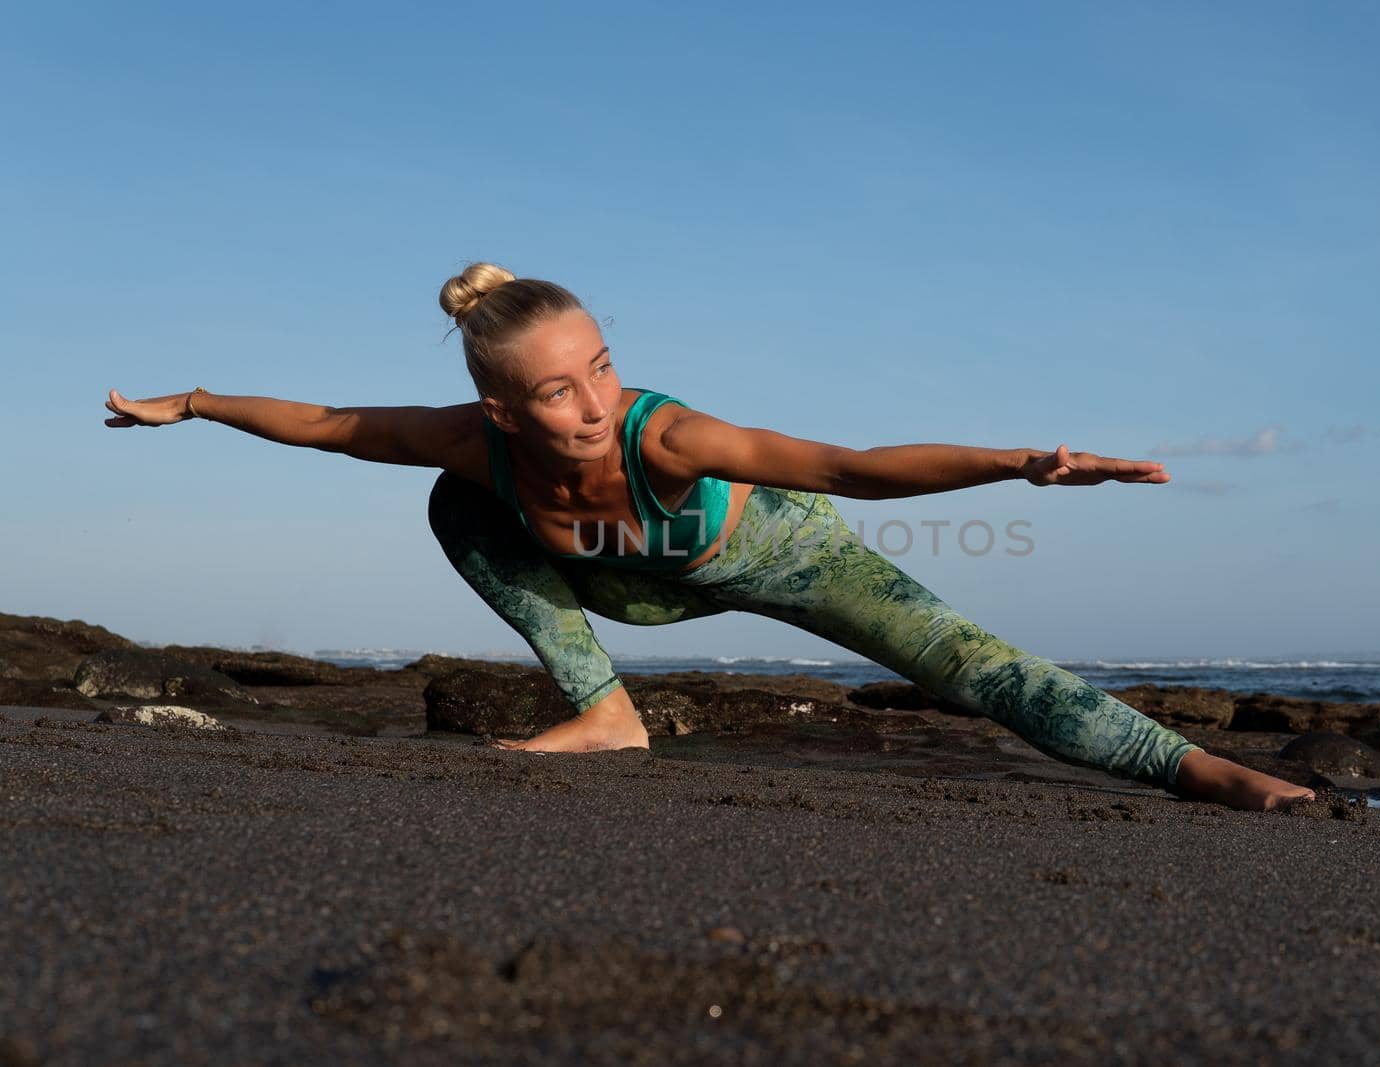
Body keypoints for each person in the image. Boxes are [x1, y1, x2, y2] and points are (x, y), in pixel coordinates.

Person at [103, 262, 1316, 812]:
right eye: (557, 393)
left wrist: (1021, 463)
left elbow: (845, 465)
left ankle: (1199, 769)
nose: (589, 406)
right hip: (632, 587)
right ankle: (605, 710)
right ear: (499, 407)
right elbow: (319, 423)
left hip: (784, 553)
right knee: (452, 510)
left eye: (602, 369)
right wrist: (195, 401)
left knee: (969, 664)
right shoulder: (469, 445)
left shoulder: (670, 437)